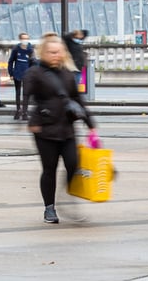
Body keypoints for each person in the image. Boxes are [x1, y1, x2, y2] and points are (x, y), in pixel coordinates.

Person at [23, 33, 99, 224]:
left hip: (66, 127)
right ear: (43, 52)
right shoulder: (35, 72)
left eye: (58, 52)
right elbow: (26, 97)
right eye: (51, 52)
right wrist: (26, 119)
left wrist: (91, 124)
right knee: (49, 169)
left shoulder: (67, 74)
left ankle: (66, 196)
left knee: (74, 164)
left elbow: (78, 100)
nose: (55, 55)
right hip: (44, 128)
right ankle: (49, 207)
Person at [7, 32, 36, 121]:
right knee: (18, 92)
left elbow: (33, 63)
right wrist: (11, 73)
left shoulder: (30, 50)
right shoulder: (16, 49)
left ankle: (25, 112)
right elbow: (11, 61)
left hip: (27, 74)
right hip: (17, 73)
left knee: (26, 94)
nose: (25, 40)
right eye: (23, 38)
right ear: (20, 39)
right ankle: (18, 110)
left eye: (26, 38)